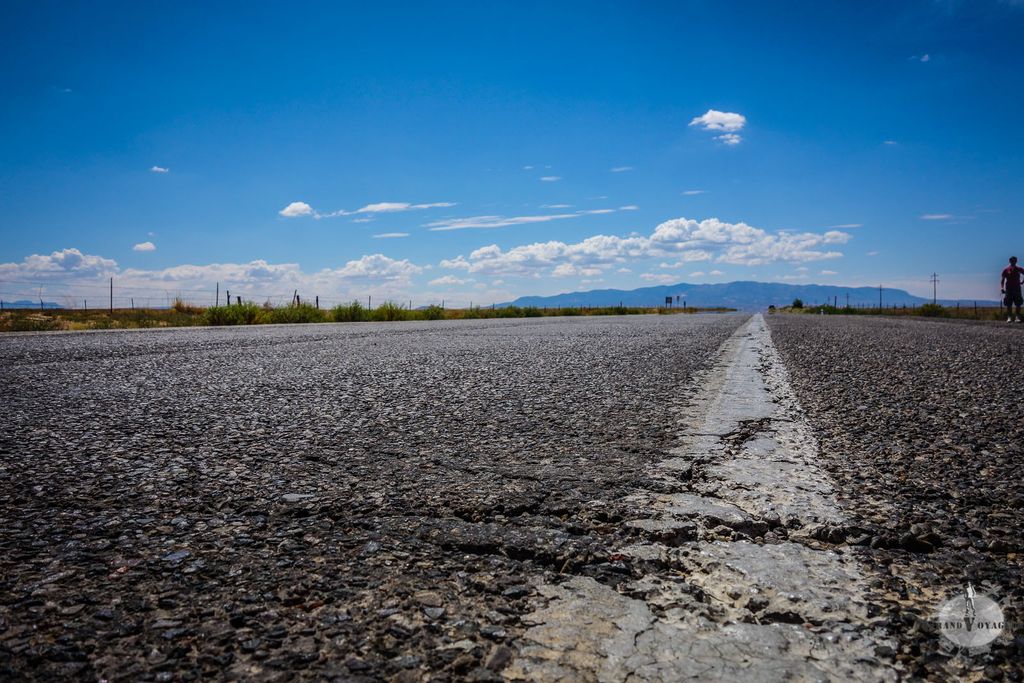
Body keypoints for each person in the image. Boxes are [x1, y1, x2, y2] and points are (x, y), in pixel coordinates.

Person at [1001, 256, 1024, 322]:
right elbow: (1002, 280)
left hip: (1017, 288)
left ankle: (1017, 317)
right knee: (1008, 303)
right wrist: (1002, 288)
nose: (1013, 261)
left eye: (1014, 260)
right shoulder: (1006, 270)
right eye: (1012, 260)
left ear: (1016, 261)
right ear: (1009, 261)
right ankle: (1009, 317)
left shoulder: (1019, 269)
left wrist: (1022, 281)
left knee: (1018, 303)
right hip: (1008, 288)